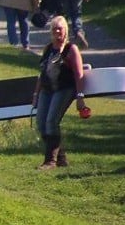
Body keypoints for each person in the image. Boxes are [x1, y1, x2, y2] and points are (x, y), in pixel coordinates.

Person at [32, 15, 86, 169]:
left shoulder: (71, 49)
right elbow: (42, 74)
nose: (57, 31)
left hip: (64, 89)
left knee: (51, 121)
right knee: (41, 123)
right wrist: (36, 94)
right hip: (47, 89)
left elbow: (79, 74)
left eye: (60, 28)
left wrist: (80, 97)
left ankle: (50, 161)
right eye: (54, 28)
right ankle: (60, 158)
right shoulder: (48, 49)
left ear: (65, 31)